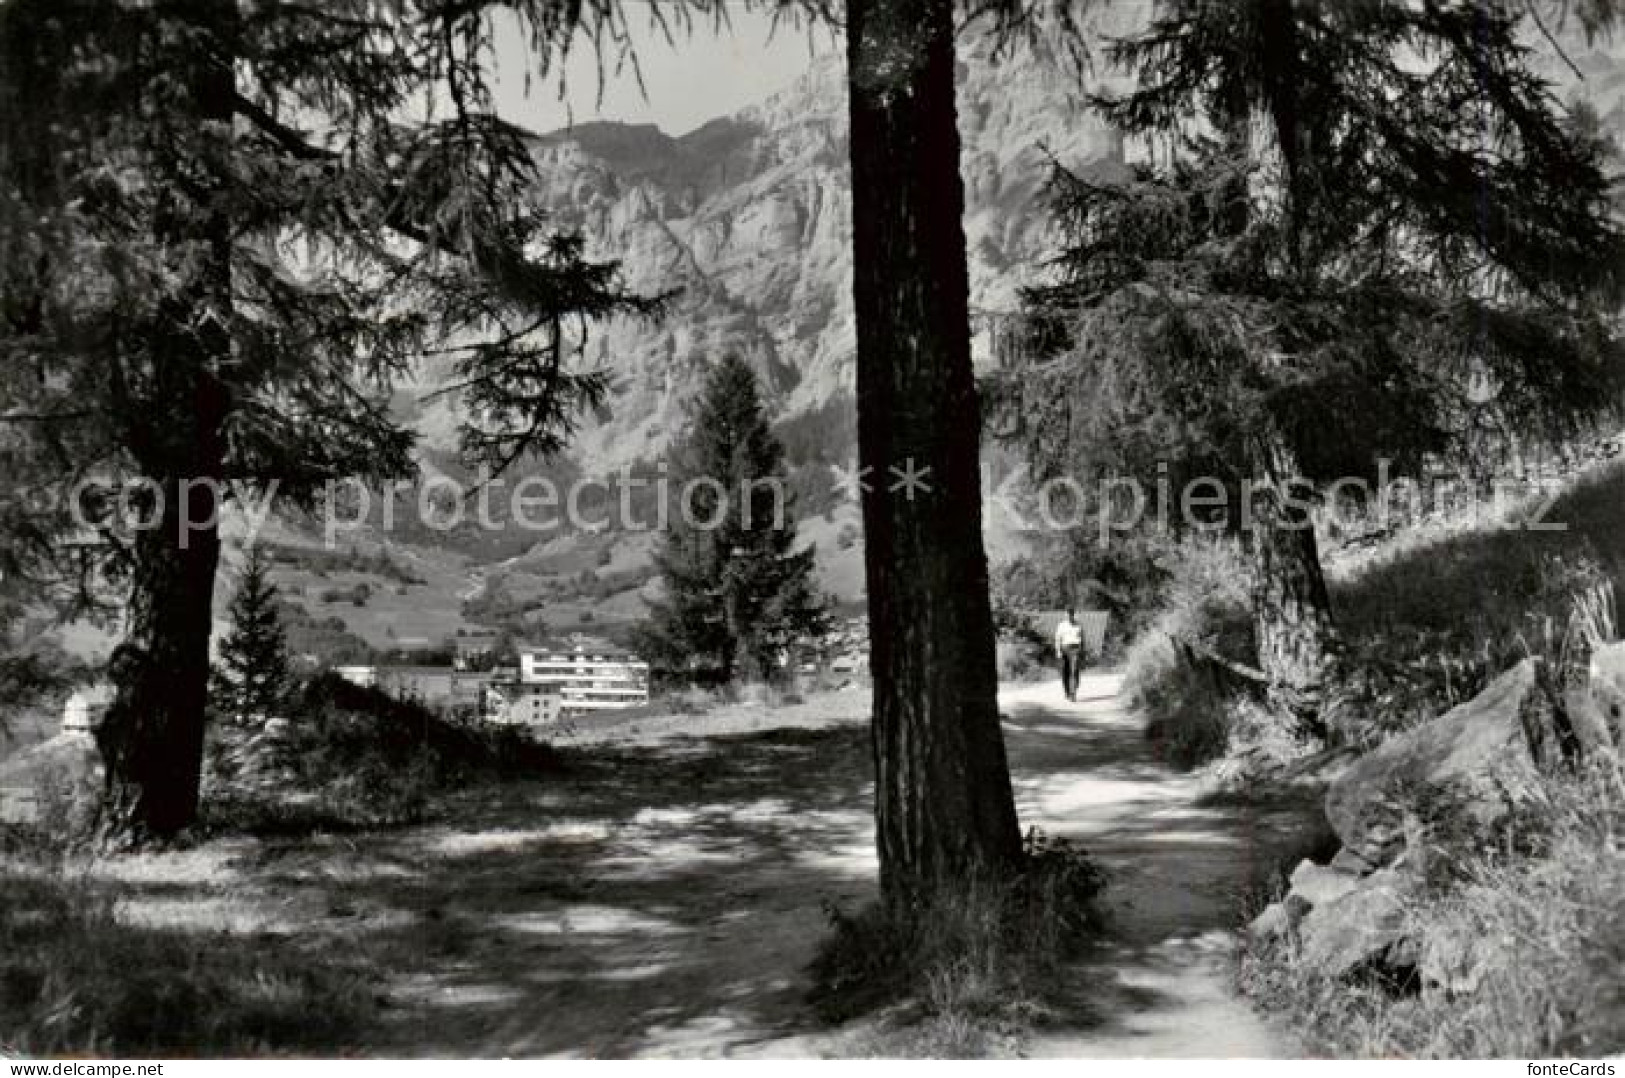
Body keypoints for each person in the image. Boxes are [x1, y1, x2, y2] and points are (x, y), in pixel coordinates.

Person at [1054, 608, 1083, 702]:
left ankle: (1073, 693)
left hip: (1076, 649)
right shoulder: (1061, 626)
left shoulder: (1079, 625)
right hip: (1065, 649)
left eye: (1071, 614)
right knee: (1065, 672)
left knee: (1074, 671)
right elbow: (1058, 639)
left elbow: (1083, 638)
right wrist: (1058, 651)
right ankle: (1067, 691)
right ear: (1065, 615)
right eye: (1067, 614)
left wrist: (1083, 650)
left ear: (1073, 614)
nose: (1069, 616)